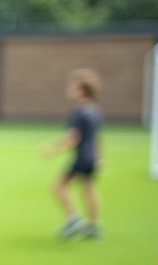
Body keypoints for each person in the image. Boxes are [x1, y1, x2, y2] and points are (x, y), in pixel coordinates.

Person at [42, 68, 103, 241]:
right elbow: (96, 137)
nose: (69, 89)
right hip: (91, 157)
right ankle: (94, 226)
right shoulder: (94, 110)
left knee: (59, 186)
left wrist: (52, 150)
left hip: (82, 157)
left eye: (72, 86)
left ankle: (73, 218)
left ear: (81, 90)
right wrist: (99, 157)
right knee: (89, 189)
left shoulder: (79, 112)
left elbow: (73, 138)